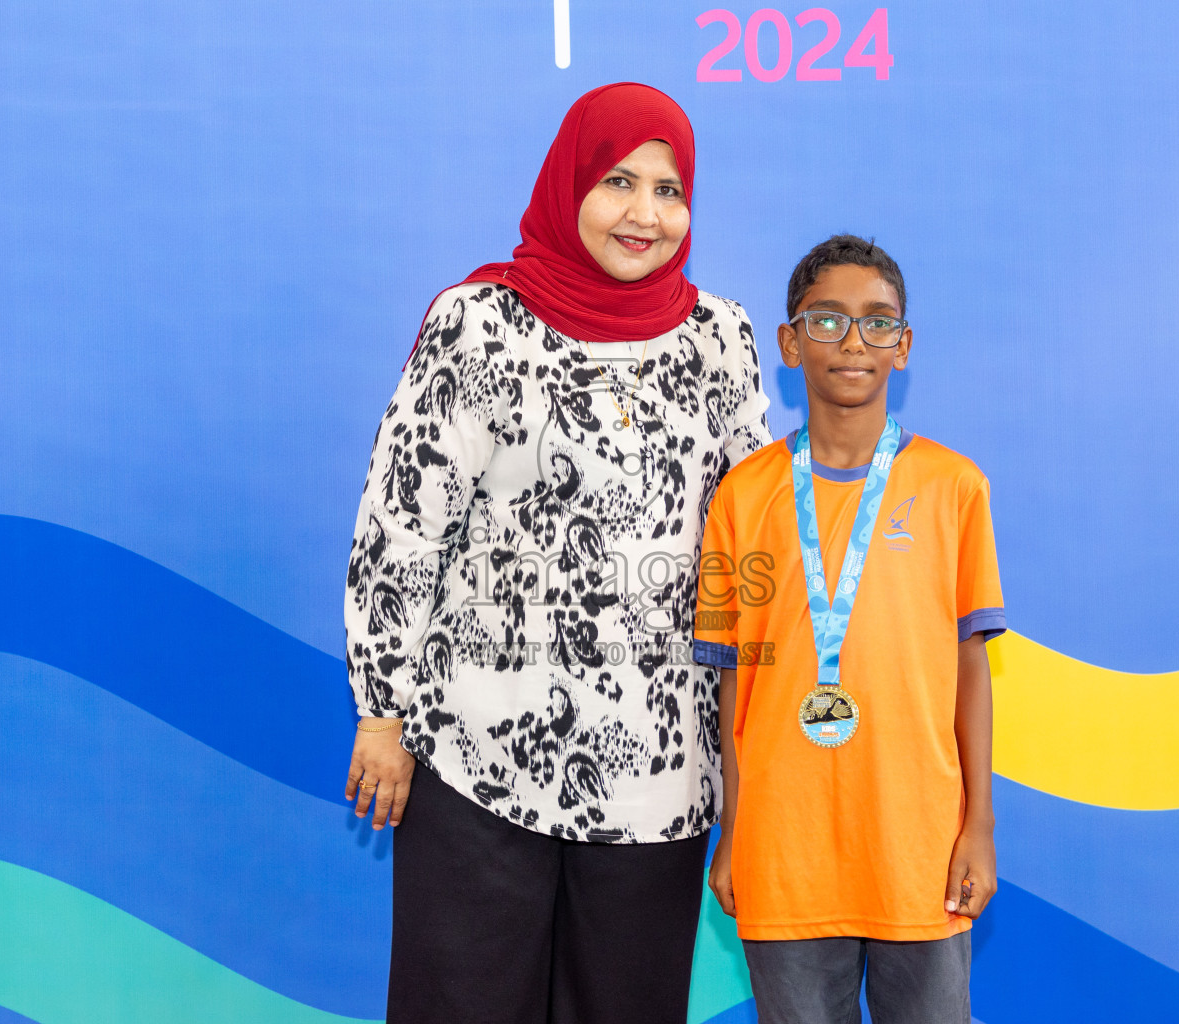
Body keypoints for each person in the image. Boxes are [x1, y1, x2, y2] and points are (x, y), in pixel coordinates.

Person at [343, 83, 772, 1024]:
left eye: (669, 189)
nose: (645, 214)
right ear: (569, 181)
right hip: (473, 750)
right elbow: (403, 524)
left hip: (660, 773)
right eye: (619, 181)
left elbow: (747, 550)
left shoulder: (722, 343)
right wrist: (381, 714)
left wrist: (754, 742)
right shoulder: (480, 324)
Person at [694, 235, 1004, 1023]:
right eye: (828, 321)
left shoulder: (953, 487)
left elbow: (972, 671)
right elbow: (732, 681)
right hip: (786, 847)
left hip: (918, 848)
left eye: (878, 323)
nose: (854, 342)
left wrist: (979, 827)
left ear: (904, 347)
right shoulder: (744, 495)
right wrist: (734, 831)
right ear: (791, 342)